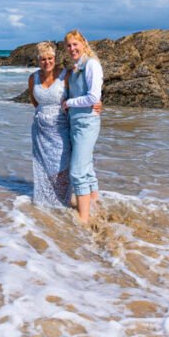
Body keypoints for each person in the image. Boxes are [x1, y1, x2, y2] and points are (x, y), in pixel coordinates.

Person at [61, 29, 102, 224]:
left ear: (83, 43)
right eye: (69, 45)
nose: (72, 48)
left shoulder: (92, 64)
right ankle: (96, 206)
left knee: (77, 171)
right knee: (86, 169)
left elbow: (94, 97)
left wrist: (69, 103)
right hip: (75, 122)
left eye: (75, 44)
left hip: (87, 123)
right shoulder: (75, 67)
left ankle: (83, 220)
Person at [27, 41, 71, 208]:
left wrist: (97, 102)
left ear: (55, 58)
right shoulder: (33, 78)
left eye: (50, 58)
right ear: (38, 60)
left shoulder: (65, 75)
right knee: (44, 167)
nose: (47, 62)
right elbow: (34, 101)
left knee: (61, 166)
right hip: (40, 130)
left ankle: (64, 203)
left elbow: (76, 97)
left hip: (61, 129)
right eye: (43, 59)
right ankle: (47, 206)